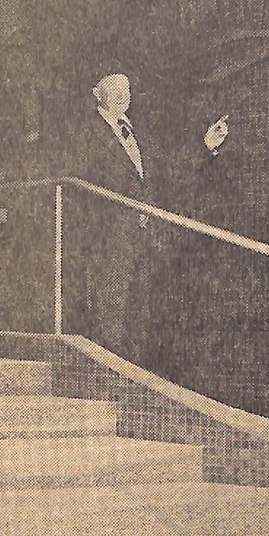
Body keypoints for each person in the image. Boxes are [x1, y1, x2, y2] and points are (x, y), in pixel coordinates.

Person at [67, 72, 228, 366]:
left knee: (139, 315)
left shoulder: (139, 134)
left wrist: (205, 146)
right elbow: (81, 187)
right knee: (109, 311)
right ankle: (108, 376)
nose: (122, 95)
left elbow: (170, 172)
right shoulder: (85, 134)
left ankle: (133, 380)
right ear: (97, 94)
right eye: (114, 89)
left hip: (145, 238)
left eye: (126, 90)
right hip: (110, 240)